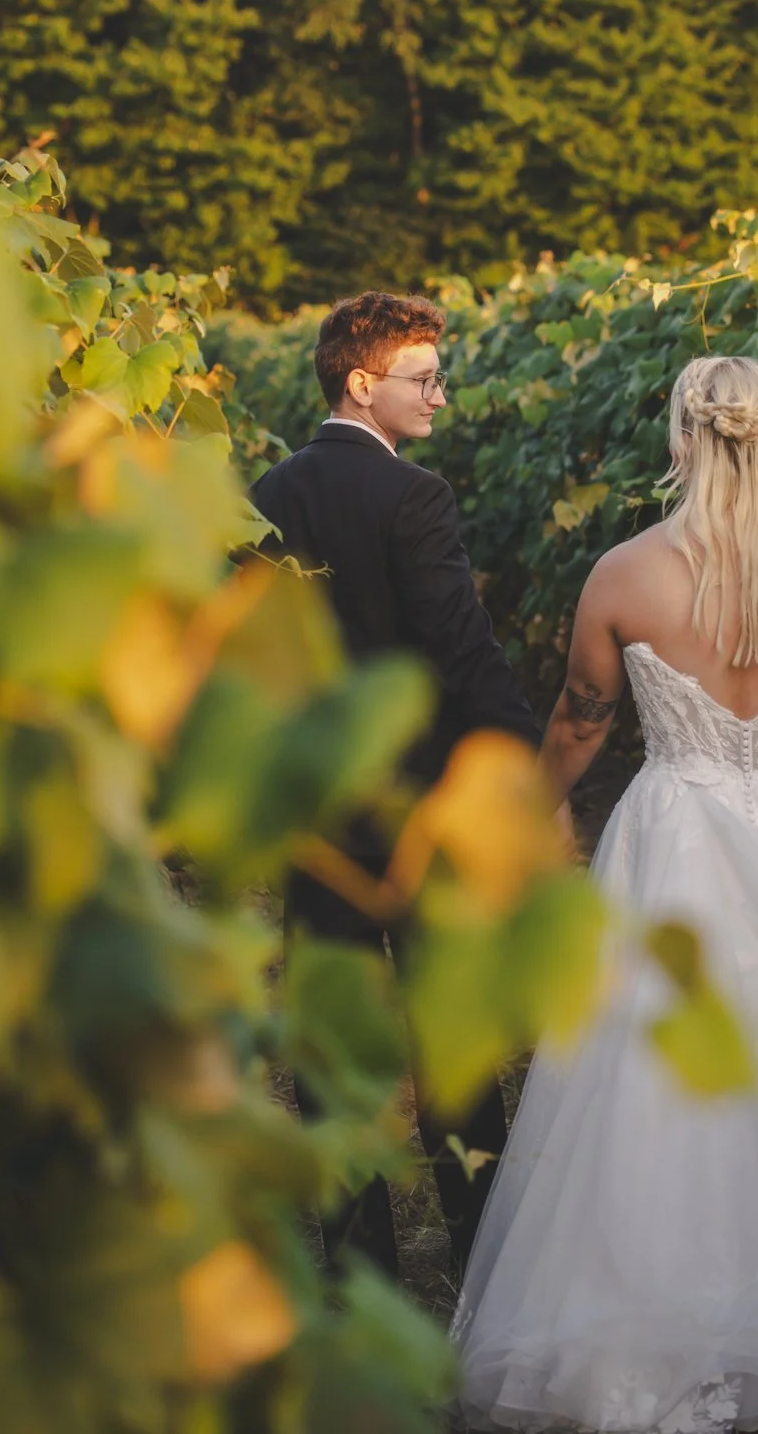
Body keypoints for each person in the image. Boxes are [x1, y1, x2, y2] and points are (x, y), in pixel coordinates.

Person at [452, 354, 758, 1429]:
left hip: (673, 835)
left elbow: (584, 721)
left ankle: (658, 1314)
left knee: (657, 1071)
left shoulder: (625, 572)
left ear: (683, 436)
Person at [249, 291, 538, 1280]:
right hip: (419, 808)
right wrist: (519, 759)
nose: (440, 397)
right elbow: (461, 646)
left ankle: (359, 1267)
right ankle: (484, 1255)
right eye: (423, 378)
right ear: (361, 380)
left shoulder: (267, 494)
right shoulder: (414, 496)